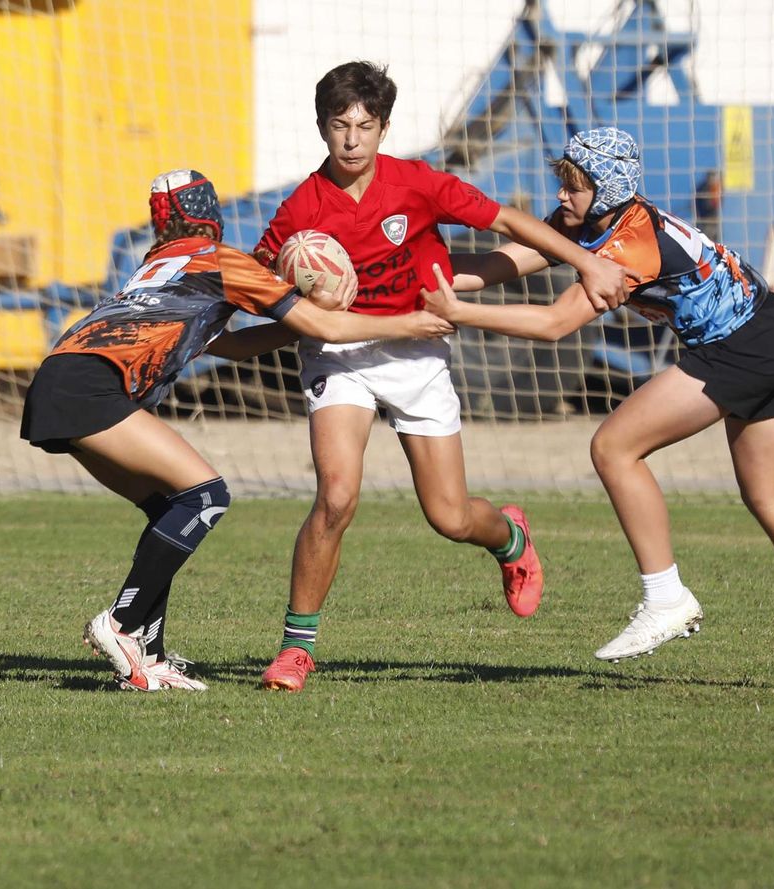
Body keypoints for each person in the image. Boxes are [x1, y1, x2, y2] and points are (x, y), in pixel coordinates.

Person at [425, 126, 774, 691]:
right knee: (768, 496)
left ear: (607, 189)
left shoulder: (628, 244)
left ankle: (666, 599)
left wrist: (457, 312)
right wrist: (422, 272)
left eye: (574, 185)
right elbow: (504, 260)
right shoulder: (593, 218)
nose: (561, 195)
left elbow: (554, 324)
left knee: (614, 447)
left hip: (742, 347)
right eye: (563, 181)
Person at [250, 61, 638, 693]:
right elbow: (263, 293)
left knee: (451, 517)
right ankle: (296, 649)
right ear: (321, 128)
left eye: (365, 126)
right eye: (339, 126)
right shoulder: (298, 213)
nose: (352, 140)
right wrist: (204, 336)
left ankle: (510, 536)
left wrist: (584, 263)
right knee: (337, 495)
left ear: (383, 128)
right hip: (339, 357)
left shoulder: (416, 184)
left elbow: (508, 223)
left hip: (417, 354)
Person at [21, 169, 453, 692]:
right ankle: (119, 623)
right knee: (206, 496)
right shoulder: (221, 261)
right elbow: (329, 327)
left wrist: (294, 323)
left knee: (169, 506)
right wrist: (408, 323)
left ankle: (149, 659)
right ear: (212, 213)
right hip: (91, 387)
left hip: (60, 379)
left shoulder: (157, 266)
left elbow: (227, 346)